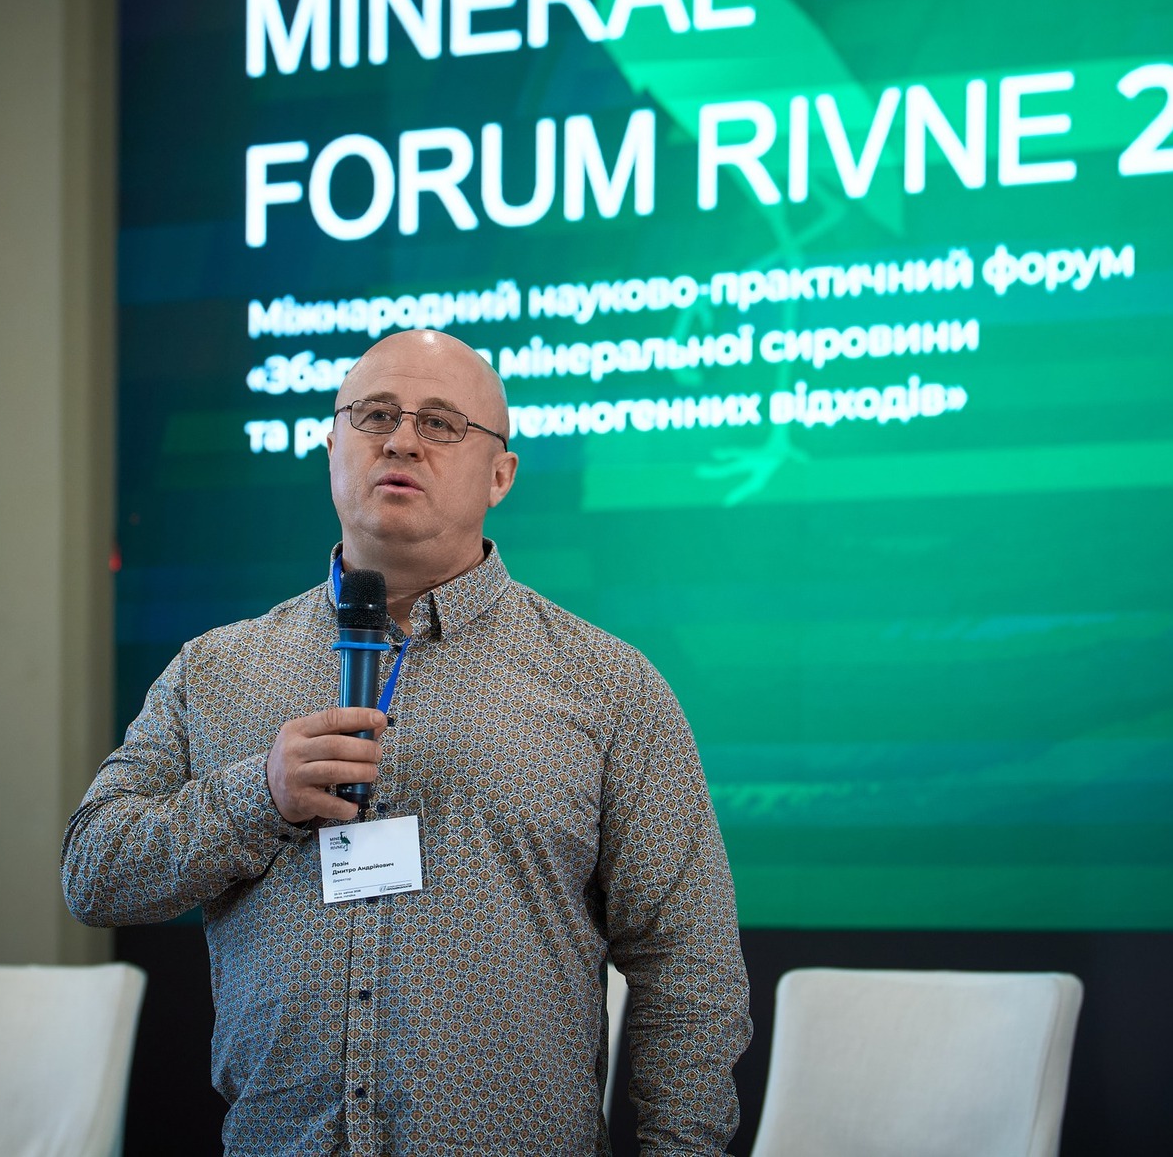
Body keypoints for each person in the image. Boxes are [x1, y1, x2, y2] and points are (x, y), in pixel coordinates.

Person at [62, 328, 750, 1155]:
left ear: (501, 475)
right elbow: (93, 876)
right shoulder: (216, 671)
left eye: (441, 424)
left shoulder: (608, 686)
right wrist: (259, 797)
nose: (400, 441)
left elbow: (690, 965)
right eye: (375, 415)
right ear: (331, 449)